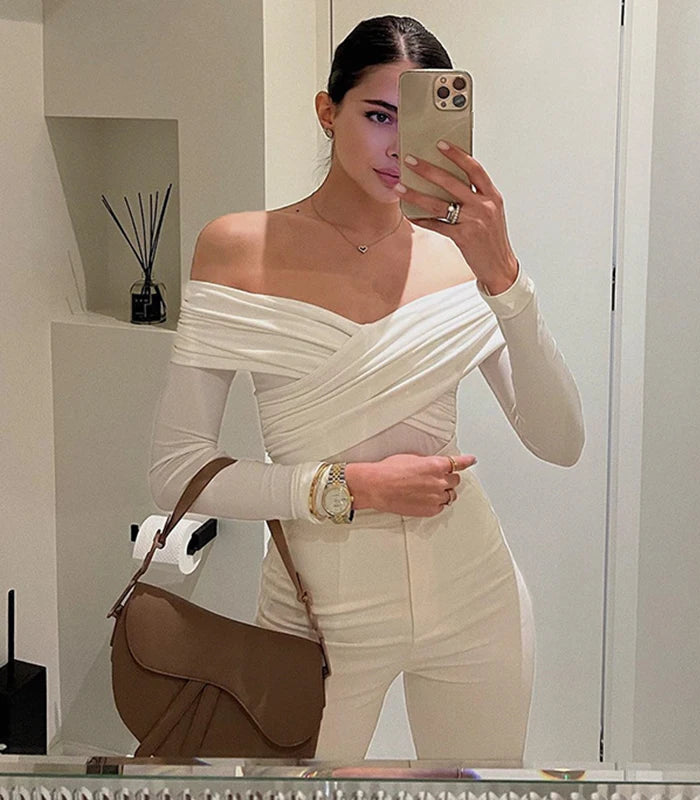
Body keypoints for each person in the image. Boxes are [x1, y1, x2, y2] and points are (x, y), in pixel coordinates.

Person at [148, 15, 585, 762]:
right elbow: (176, 470)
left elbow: (560, 442)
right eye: (378, 115)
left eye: (414, 124)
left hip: (475, 599)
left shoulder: (461, 255)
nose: (397, 148)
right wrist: (350, 487)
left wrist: (505, 277)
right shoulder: (237, 248)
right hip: (316, 617)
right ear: (328, 111)